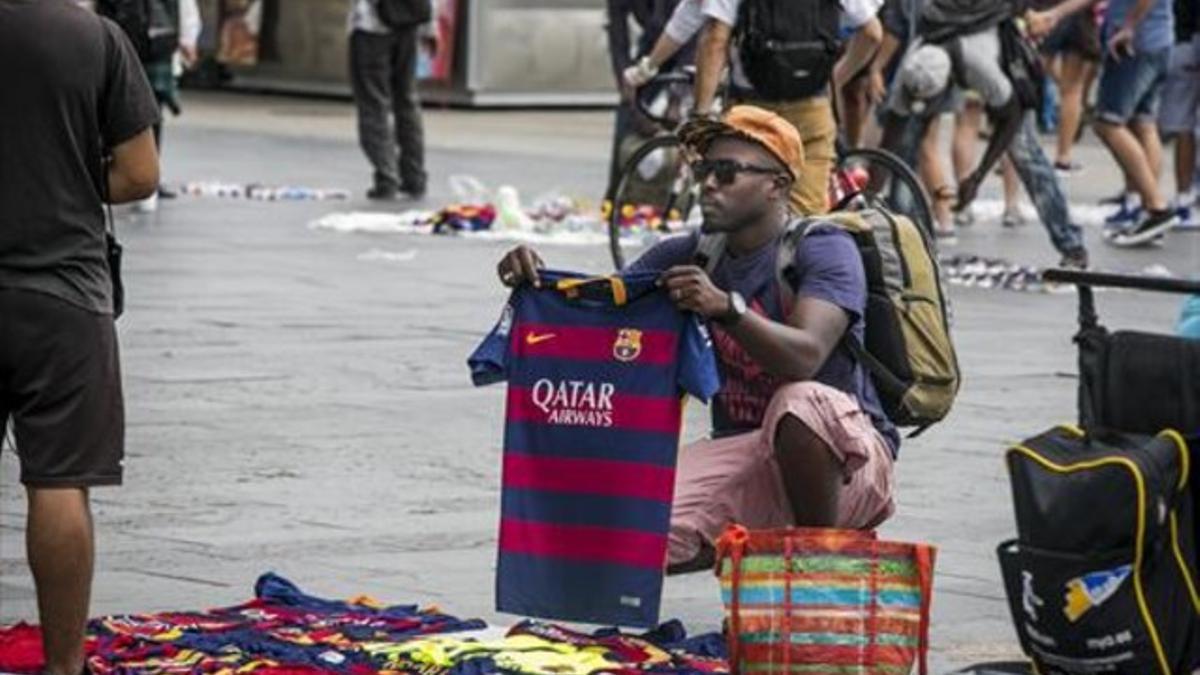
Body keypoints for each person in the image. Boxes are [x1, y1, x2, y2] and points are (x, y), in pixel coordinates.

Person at [494, 106, 897, 573]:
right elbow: (599, 311)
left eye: (726, 173)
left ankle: (817, 565)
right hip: (747, 452)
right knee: (627, 531)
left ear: (777, 186)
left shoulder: (823, 247)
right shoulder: (692, 254)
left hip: (850, 462)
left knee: (799, 402)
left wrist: (727, 308)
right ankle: (766, 550)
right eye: (704, 170)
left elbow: (805, 356)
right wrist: (538, 280)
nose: (708, 184)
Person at [0, 1, 160, 673]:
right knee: (59, 482)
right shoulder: (95, 38)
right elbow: (139, 173)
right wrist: (67, 176)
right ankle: (65, 663)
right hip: (63, 293)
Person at [881, 4, 1090, 269]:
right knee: (905, 146)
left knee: (1024, 152)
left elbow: (1011, 116)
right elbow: (891, 142)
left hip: (986, 43)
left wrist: (977, 177)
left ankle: (1071, 246)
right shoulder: (915, 71)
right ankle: (903, 249)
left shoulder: (980, 62)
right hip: (936, 39)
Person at [689, 0, 885, 216]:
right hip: (812, 110)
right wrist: (836, 77)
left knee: (741, 211)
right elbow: (872, 33)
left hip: (752, 112)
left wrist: (701, 114)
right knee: (806, 217)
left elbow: (715, 40)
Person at [1029, 0, 1178, 246]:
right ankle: (1149, 210)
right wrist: (1056, 14)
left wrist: (1129, 26)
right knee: (1143, 123)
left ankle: (1155, 207)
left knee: (1108, 123)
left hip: (1135, 43)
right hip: (1155, 39)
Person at [348, 0, 435, 201]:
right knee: (407, 100)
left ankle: (387, 177)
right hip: (410, 25)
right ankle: (414, 176)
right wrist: (430, 27)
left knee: (373, 102)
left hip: (371, 28)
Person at [606, 0, 693, 192]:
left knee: (690, 124)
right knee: (627, 116)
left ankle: (684, 202)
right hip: (653, 49)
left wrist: (676, 97)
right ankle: (616, 196)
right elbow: (617, 35)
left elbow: (696, 28)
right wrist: (628, 91)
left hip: (694, 49)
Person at [133, 0, 202, 212]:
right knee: (152, 115)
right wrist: (187, 40)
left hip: (121, 39)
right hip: (157, 45)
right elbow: (185, 7)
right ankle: (147, 179)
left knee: (117, 113)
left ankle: (141, 176)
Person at [1035, 0, 1102, 175]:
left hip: (1044, 11)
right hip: (1079, 13)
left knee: (1029, 73)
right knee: (1072, 90)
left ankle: (1011, 157)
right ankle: (1063, 156)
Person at [1157, 0, 1198, 227]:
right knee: (1184, 127)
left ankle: (1183, 196)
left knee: (1183, 126)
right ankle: (1184, 196)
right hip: (1186, 40)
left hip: (1182, 40)